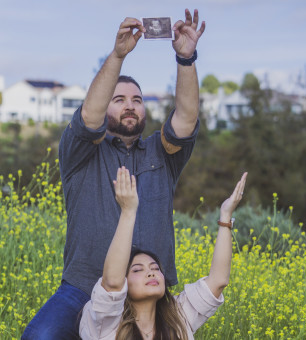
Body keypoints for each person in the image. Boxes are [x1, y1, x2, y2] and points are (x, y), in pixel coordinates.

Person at [22, 9, 205, 340]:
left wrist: (186, 59)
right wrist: (118, 55)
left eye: (136, 100)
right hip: (85, 286)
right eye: (118, 99)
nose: (130, 105)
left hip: (151, 292)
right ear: (107, 106)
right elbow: (89, 115)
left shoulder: (162, 155)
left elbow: (187, 118)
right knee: (40, 336)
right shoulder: (81, 152)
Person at [79, 167, 247, 339]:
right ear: (124, 284)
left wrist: (225, 216)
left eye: (155, 268)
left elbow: (218, 282)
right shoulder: (105, 324)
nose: (151, 272)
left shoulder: (178, 317)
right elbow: (112, 283)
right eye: (137, 270)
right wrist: (128, 212)